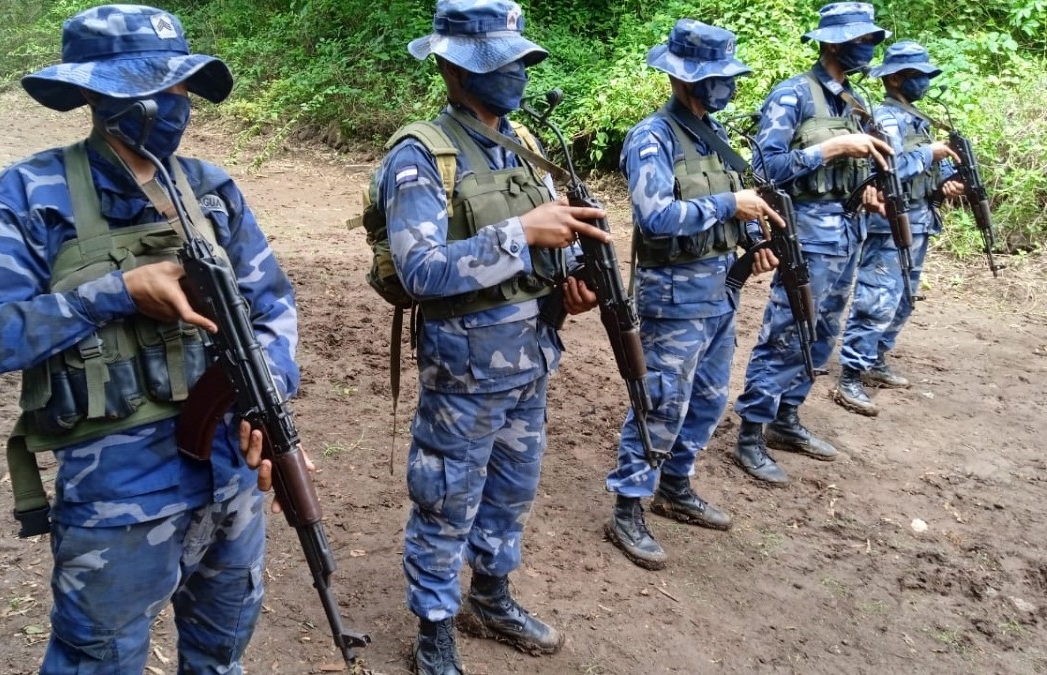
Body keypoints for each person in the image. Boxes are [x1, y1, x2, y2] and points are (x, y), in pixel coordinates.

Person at [0, 6, 301, 672]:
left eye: (176, 85)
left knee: (221, 657)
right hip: (118, 507)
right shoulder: (32, 194)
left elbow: (272, 305)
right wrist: (114, 293)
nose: (170, 103)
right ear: (96, 96)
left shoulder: (212, 191)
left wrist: (266, 397)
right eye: (146, 87)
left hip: (233, 489)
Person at [379, 1, 609, 672]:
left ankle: (491, 595)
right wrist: (520, 234)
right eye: (496, 63)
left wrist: (573, 282)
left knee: (512, 488)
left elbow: (553, 246)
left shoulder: (526, 147)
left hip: (531, 354)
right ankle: (433, 629)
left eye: (518, 60)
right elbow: (420, 269)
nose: (515, 74)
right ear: (452, 67)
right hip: (465, 368)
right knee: (447, 494)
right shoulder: (422, 155)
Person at [605, 19, 781, 568]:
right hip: (671, 295)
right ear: (684, 78)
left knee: (707, 398)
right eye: (713, 76)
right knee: (659, 401)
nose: (723, 85)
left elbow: (736, 203)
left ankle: (675, 486)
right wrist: (732, 207)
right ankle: (628, 506)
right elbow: (655, 218)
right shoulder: (652, 137)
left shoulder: (717, 137)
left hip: (719, 288)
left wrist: (753, 238)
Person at [732, 2, 894, 484]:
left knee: (822, 331)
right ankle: (752, 432)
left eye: (870, 39)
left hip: (847, 231)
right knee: (789, 327)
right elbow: (763, 169)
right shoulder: (793, 95)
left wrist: (862, 184)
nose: (868, 47)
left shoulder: (855, 101)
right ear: (831, 43)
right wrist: (830, 150)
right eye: (860, 39)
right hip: (805, 232)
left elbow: (861, 168)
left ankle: (787, 418)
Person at [835, 41, 964, 415]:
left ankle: (875, 359)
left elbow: (928, 172)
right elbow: (884, 169)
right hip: (888, 222)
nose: (923, 82)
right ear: (894, 78)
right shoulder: (888, 120)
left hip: (920, 219)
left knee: (904, 298)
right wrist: (929, 154)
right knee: (877, 298)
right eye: (916, 75)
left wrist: (945, 183)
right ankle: (851, 375)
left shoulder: (917, 119)